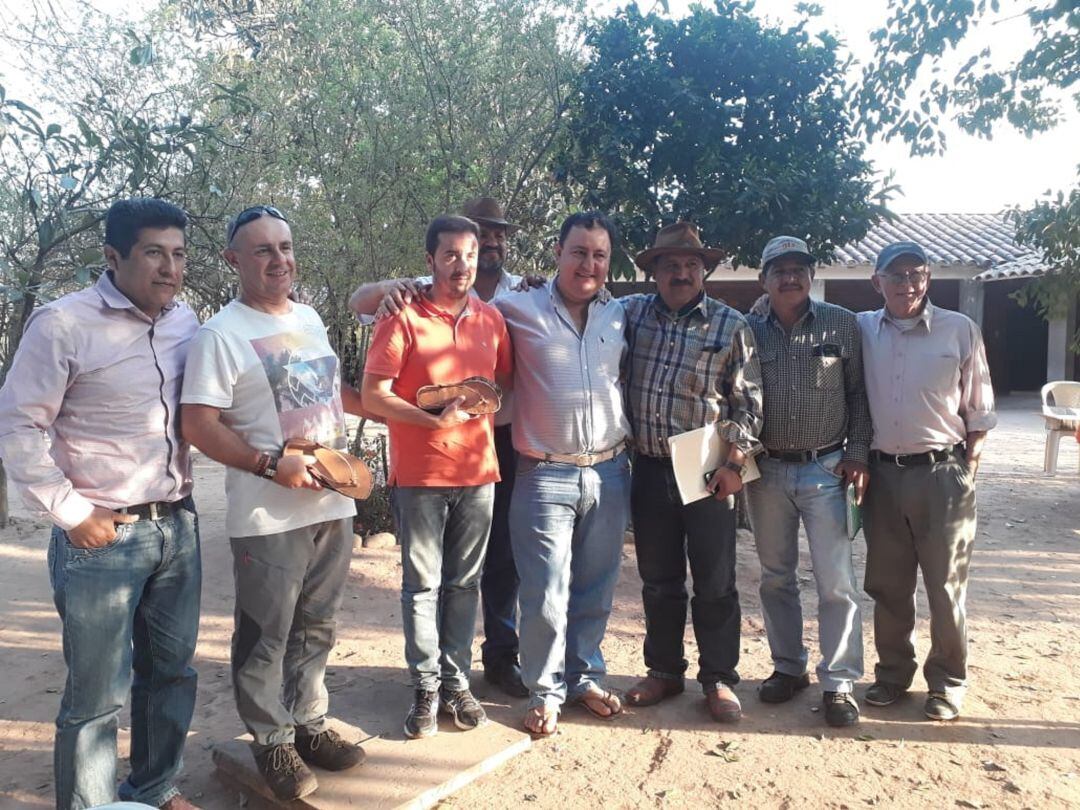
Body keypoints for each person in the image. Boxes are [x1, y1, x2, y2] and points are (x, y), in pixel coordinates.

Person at [0, 198, 201, 810]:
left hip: (178, 526)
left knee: (171, 675)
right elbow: (16, 425)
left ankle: (152, 788)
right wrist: (71, 513)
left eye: (178, 255)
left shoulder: (185, 321)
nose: (169, 268)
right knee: (97, 697)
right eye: (153, 253)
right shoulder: (63, 324)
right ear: (112, 257)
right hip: (103, 538)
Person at [180, 205, 365, 801]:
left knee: (318, 625)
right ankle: (271, 740)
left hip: (330, 506)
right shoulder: (220, 335)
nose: (278, 260)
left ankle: (308, 724)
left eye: (284, 247)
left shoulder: (308, 317)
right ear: (234, 260)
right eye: (262, 250)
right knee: (266, 633)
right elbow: (198, 425)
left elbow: (324, 398)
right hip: (266, 515)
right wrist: (267, 465)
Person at [349, 198, 529, 697]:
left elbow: (504, 381)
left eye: (473, 250)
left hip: (484, 468)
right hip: (421, 475)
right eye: (452, 254)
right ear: (429, 260)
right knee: (422, 586)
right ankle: (427, 686)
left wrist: (477, 417)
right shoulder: (403, 308)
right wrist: (431, 420)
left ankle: (462, 680)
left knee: (472, 581)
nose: (465, 261)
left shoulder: (495, 315)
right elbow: (371, 392)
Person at [491, 211, 631, 736]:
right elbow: (450, 308)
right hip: (544, 475)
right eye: (579, 252)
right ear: (557, 251)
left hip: (611, 472)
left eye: (599, 255)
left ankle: (586, 677)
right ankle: (545, 691)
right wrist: (391, 291)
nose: (588, 264)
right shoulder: (515, 307)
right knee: (545, 592)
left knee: (596, 587)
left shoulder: (621, 315)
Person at [620, 222, 763, 723]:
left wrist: (734, 464)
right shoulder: (630, 315)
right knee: (658, 580)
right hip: (649, 467)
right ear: (653, 271)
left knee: (716, 581)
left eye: (690, 265)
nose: (682, 273)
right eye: (671, 265)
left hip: (708, 469)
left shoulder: (730, 324)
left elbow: (748, 402)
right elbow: (578, 306)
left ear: (704, 270)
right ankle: (663, 671)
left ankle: (719, 679)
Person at [858, 240, 996, 722]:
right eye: (895, 276)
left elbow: (979, 412)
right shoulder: (861, 330)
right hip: (882, 477)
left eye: (916, 274)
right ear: (877, 283)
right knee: (888, 585)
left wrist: (967, 474)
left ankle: (947, 682)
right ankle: (892, 675)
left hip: (943, 475)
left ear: (928, 278)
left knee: (946, 586)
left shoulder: (960, 330)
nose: (907, 285)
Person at [744, 235, 872, 727]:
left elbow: (860, 395)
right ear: (764, 279)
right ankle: (788, 667)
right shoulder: (749, 328)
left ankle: (839, 682)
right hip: (767, 471)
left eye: (799, 268)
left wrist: (857, 452)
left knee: (835, 581)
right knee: (776, 578)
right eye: (779, 269)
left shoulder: (843, 324)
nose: (790, 277)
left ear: (812, 276)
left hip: (827, 467)